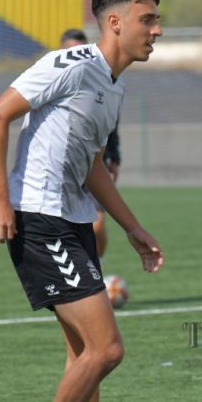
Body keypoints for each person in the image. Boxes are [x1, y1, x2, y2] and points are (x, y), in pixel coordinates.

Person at [0, 0, 163, 402]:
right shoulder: (72, 64)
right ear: (115, 22)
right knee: (107, 348)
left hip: (75, 220)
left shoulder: (114, 85)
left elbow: (92, 166)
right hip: (40, 220)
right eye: (148, 19)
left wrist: (132, 227)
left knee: (84, 351)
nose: (157, 29)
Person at [60, 28, 123, 261]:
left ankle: (99, 265)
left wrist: (115, 157)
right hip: (65, 169)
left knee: (97, 227)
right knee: (69, 229)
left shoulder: (103, 82)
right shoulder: (55, 81)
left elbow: (110, 126)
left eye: (80, 50)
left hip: (95, 166)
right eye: (71, 51)